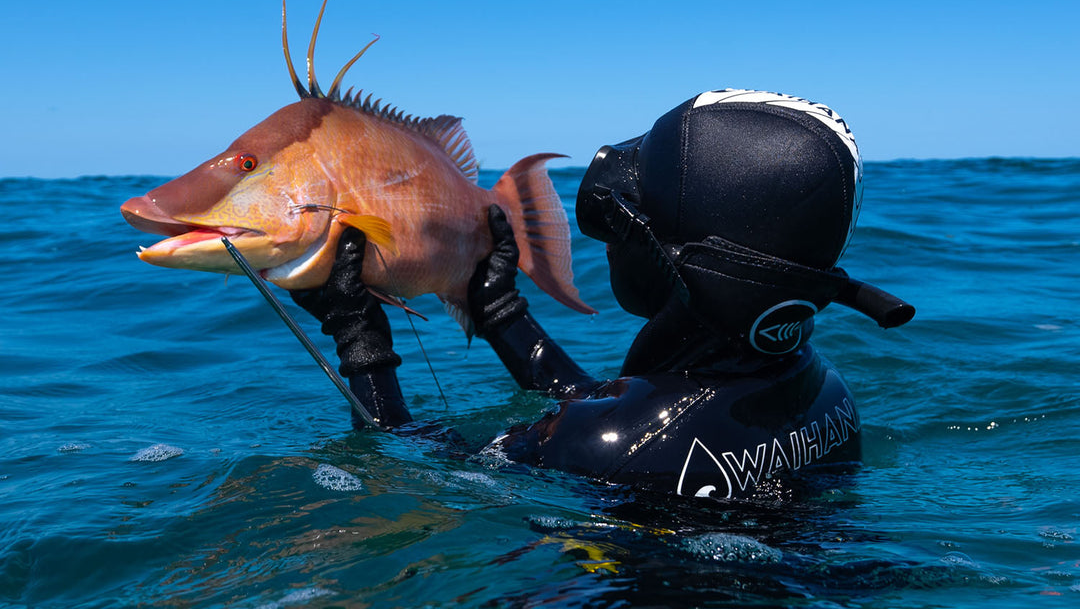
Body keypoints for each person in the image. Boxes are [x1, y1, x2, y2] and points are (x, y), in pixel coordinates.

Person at [290, 90, 915, 500]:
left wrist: (359, 338)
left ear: (688, 263)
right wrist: (500, 308)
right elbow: (618, 412)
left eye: (626, 222)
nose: (611, 238)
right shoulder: (818, 387)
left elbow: (406, 464)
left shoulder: (608, 447)